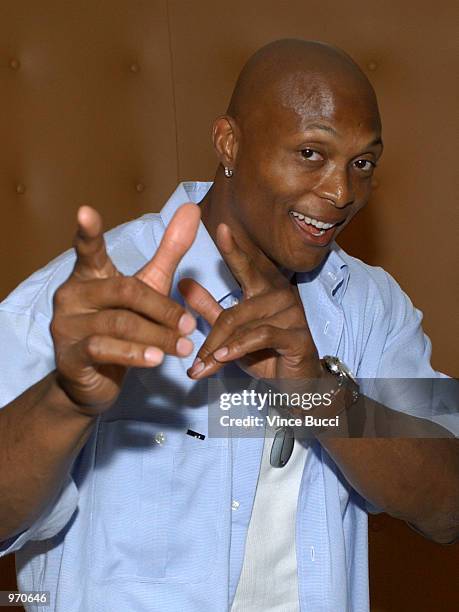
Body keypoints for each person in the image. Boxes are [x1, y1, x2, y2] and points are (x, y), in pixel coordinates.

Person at [0, 39, 457, 612]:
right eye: (312, 153)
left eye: (362, 163)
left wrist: (318, 395)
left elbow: (449, 507)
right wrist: (64, 401)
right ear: (229, 143)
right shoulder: (85, 298)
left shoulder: (370, 306)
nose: (342, 193)